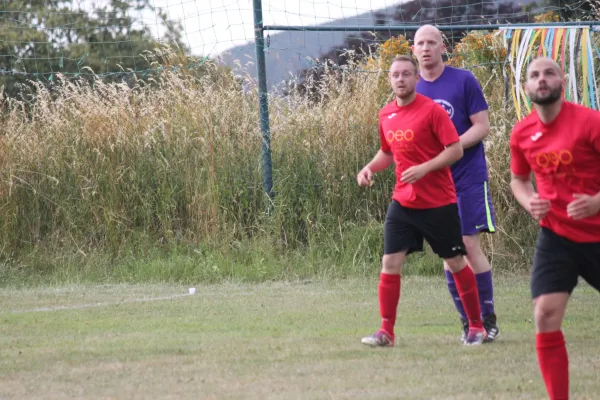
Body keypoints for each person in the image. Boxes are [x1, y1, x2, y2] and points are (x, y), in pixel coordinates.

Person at [357, 54, 487, 347]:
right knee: (390, 261)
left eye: (406, 74)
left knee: (455, 260)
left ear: (417, 78)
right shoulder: (386, 114)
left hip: (438, 202)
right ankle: (386, 332)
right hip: (403, 202)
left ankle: (476, 327)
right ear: (389, 80)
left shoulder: (432, 111)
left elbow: (454, 150)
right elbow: (387, 153)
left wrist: (426, 168)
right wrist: (368, 167)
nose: (400, 79)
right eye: (395, 75)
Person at [509, 56, 600, 400]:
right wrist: (528, 199)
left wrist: (596, 201)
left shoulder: (590, 123)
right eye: (534, 75)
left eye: (549, 73)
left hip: (598, 232)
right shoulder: (522, 133)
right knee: (545, 314)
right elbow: (518, 180)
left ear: (562, 81)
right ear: (527, 87)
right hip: (556, 236)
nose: (542, 79)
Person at [412, 24, 500, 343]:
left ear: (443, 47)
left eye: (431, 42)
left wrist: (452, 147)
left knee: (469, 246)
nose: (426, 48)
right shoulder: (412, 89)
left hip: (467, 178)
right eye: (420, 43)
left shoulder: (464, 80)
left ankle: (488, 319)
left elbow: (482, 126)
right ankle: (468, 322)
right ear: (413, 50)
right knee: (449, 253)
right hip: (434, 184)